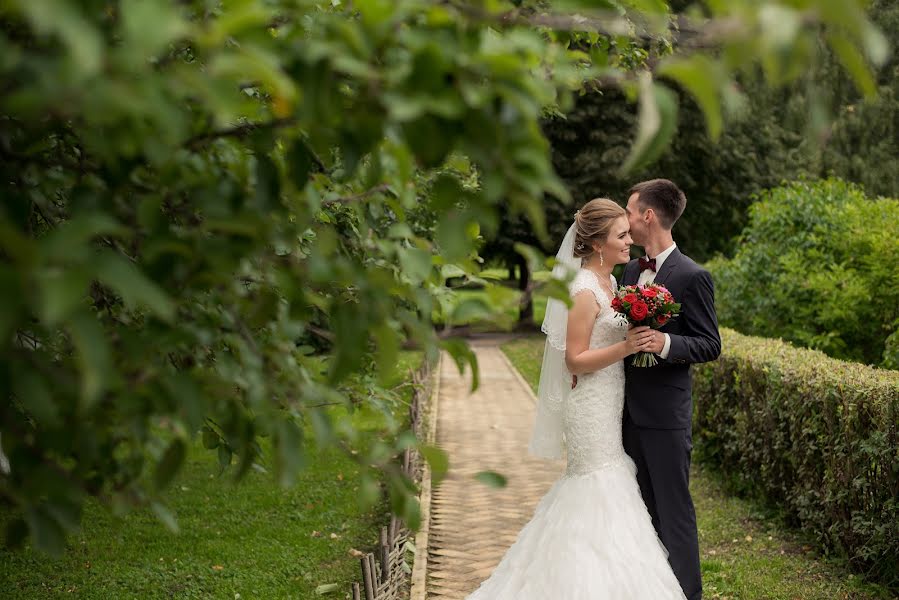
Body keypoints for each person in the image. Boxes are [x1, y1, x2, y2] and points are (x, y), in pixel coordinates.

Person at [466, 198, 686, 599]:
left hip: (610, 398)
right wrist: (625, 347)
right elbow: (574, 359)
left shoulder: (612, 283)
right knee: (598, 482)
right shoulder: (583, 289)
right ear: (598, 244)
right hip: (589, 406)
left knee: (608, 479)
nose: (630, 243)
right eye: (621, 236)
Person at [621, 179, 722, 600]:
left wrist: (664, 343)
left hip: (665, 417)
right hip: (624, 414)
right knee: (636, 512)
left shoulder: (693, 276)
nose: (625, 220)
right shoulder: (628, 271)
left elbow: (710, 343)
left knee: (673, 513)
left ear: (648, 215)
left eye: (629, 212)